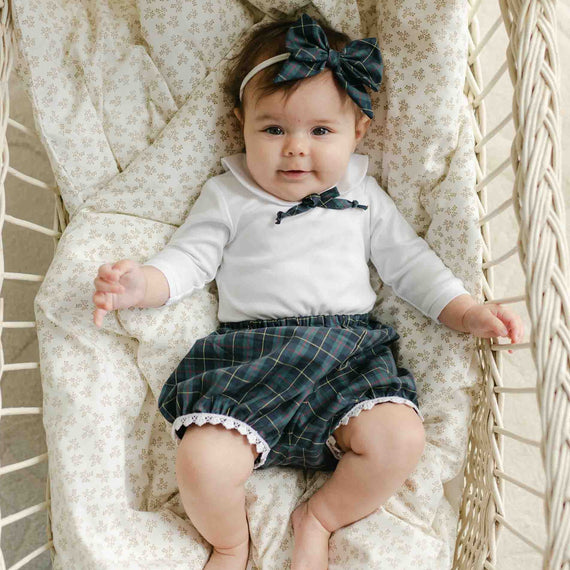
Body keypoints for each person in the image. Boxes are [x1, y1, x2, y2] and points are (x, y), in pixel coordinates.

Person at [92, 14, 524, 570]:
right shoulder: (227, 195)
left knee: (400, 438)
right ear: (239, 125)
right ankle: (230, 542)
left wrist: (465, 311)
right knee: (200, 462)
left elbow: (410, 263)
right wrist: (138, 285)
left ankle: (318, 517)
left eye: (321, 132)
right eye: (273, 130)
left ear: (358, 132)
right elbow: (188, 262)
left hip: (348, 362)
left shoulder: (363, 195)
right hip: (252, 362)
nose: (296, 149)